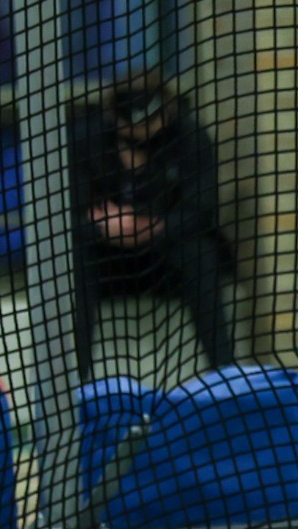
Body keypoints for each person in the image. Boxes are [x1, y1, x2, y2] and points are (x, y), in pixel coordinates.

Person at [69, 71, 237, 379]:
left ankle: (225, 375)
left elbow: (202, 210)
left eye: (151, 122)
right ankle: (74, 383)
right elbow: (64, 220)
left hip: (165, 261)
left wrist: (152, 226)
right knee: (74, 261)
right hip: (109, 263)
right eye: (133, 126)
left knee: (200, 253)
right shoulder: (85, 141)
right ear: (114, 118)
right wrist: (105, 228)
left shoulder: (189, 138)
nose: (144, 132)